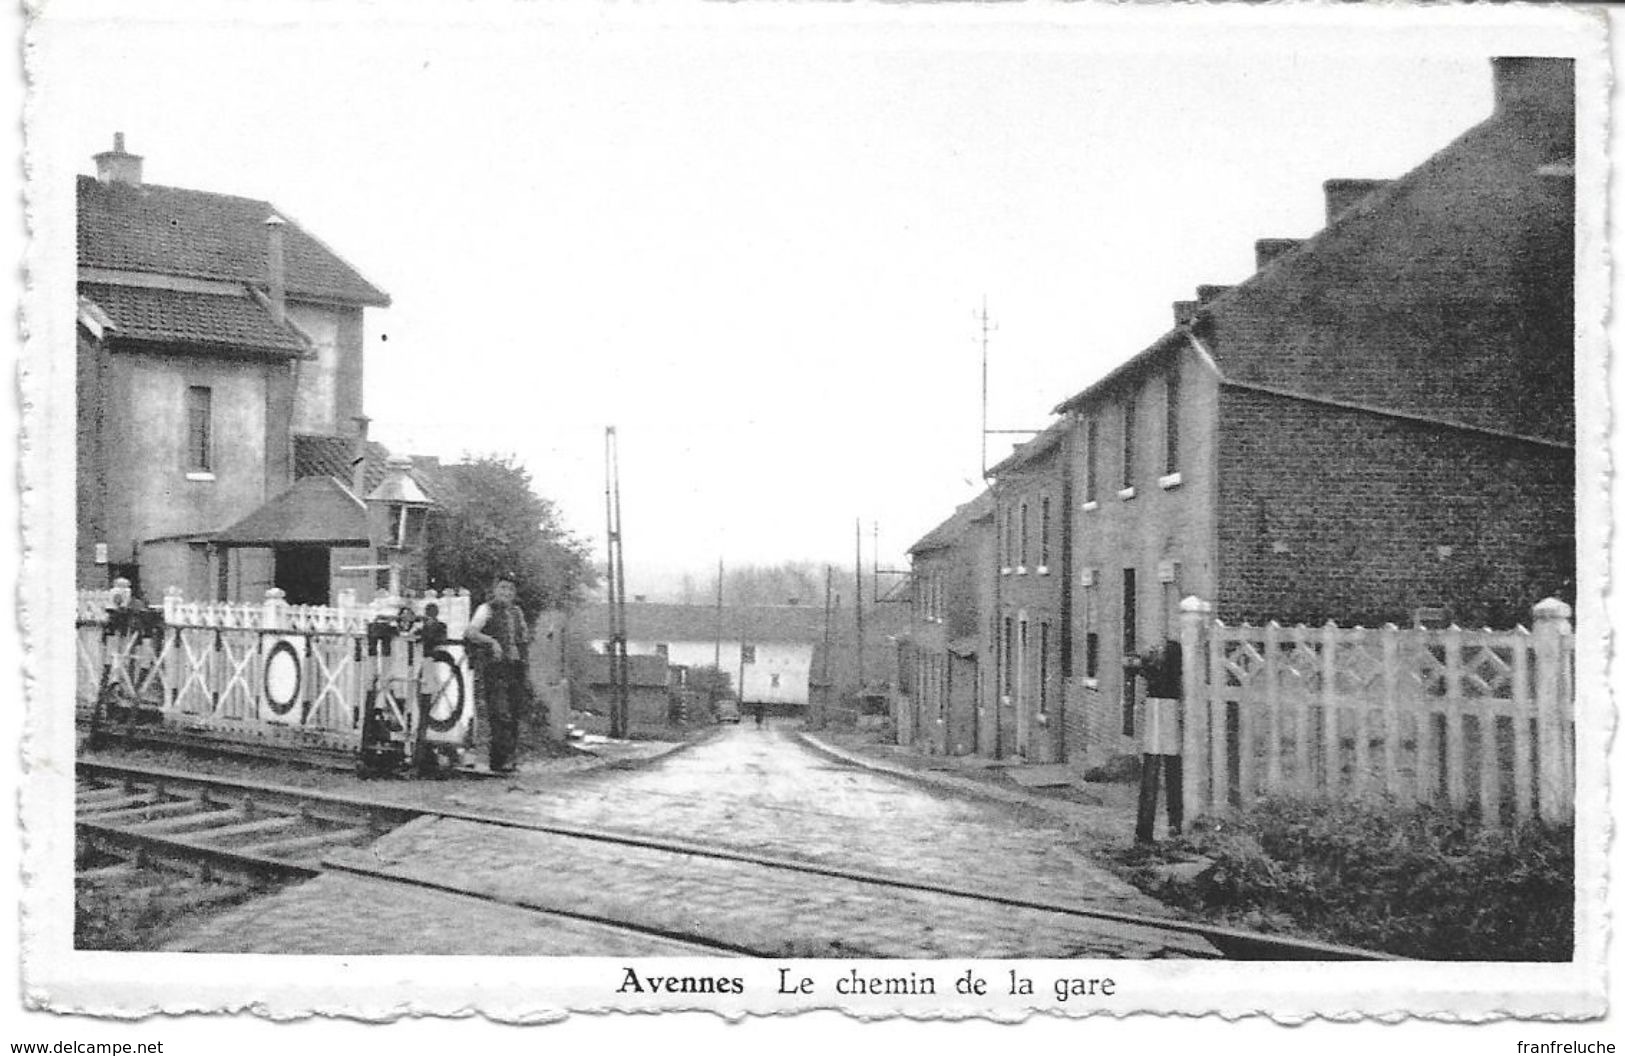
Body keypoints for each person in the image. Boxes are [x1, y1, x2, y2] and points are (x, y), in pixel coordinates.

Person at [464, 574, 530, 774]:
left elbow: (524, 637)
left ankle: (509, 758)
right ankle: (499, 761)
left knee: (515, 711)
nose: (506, 593)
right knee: (500, 712)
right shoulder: (486, 609)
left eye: (510, 589)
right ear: (495, 590)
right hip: (495, 668)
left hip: (515, 668)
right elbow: (471, 632)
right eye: (502, 588)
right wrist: (492, 642)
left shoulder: (517, 612)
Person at [1125, 640, 1183, 844]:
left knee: (1162, 771)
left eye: (1158, 652)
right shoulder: (1156, 670)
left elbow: (1133, 665)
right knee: (1160, 771)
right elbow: (1132, 664)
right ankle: (1166, 826)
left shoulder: (1158, 671)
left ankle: (1168, 826)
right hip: (1160, 711)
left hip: (1165, 712)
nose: (1153, 653)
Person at [410, 602, 449, 777]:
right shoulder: (423, 626)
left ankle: (429, 730)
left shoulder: (441, 626)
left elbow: (443, 641)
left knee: (434, 692)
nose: (430, 615)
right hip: (424, 662)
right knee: (423, 694)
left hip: (435, 661)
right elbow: (415, 635)